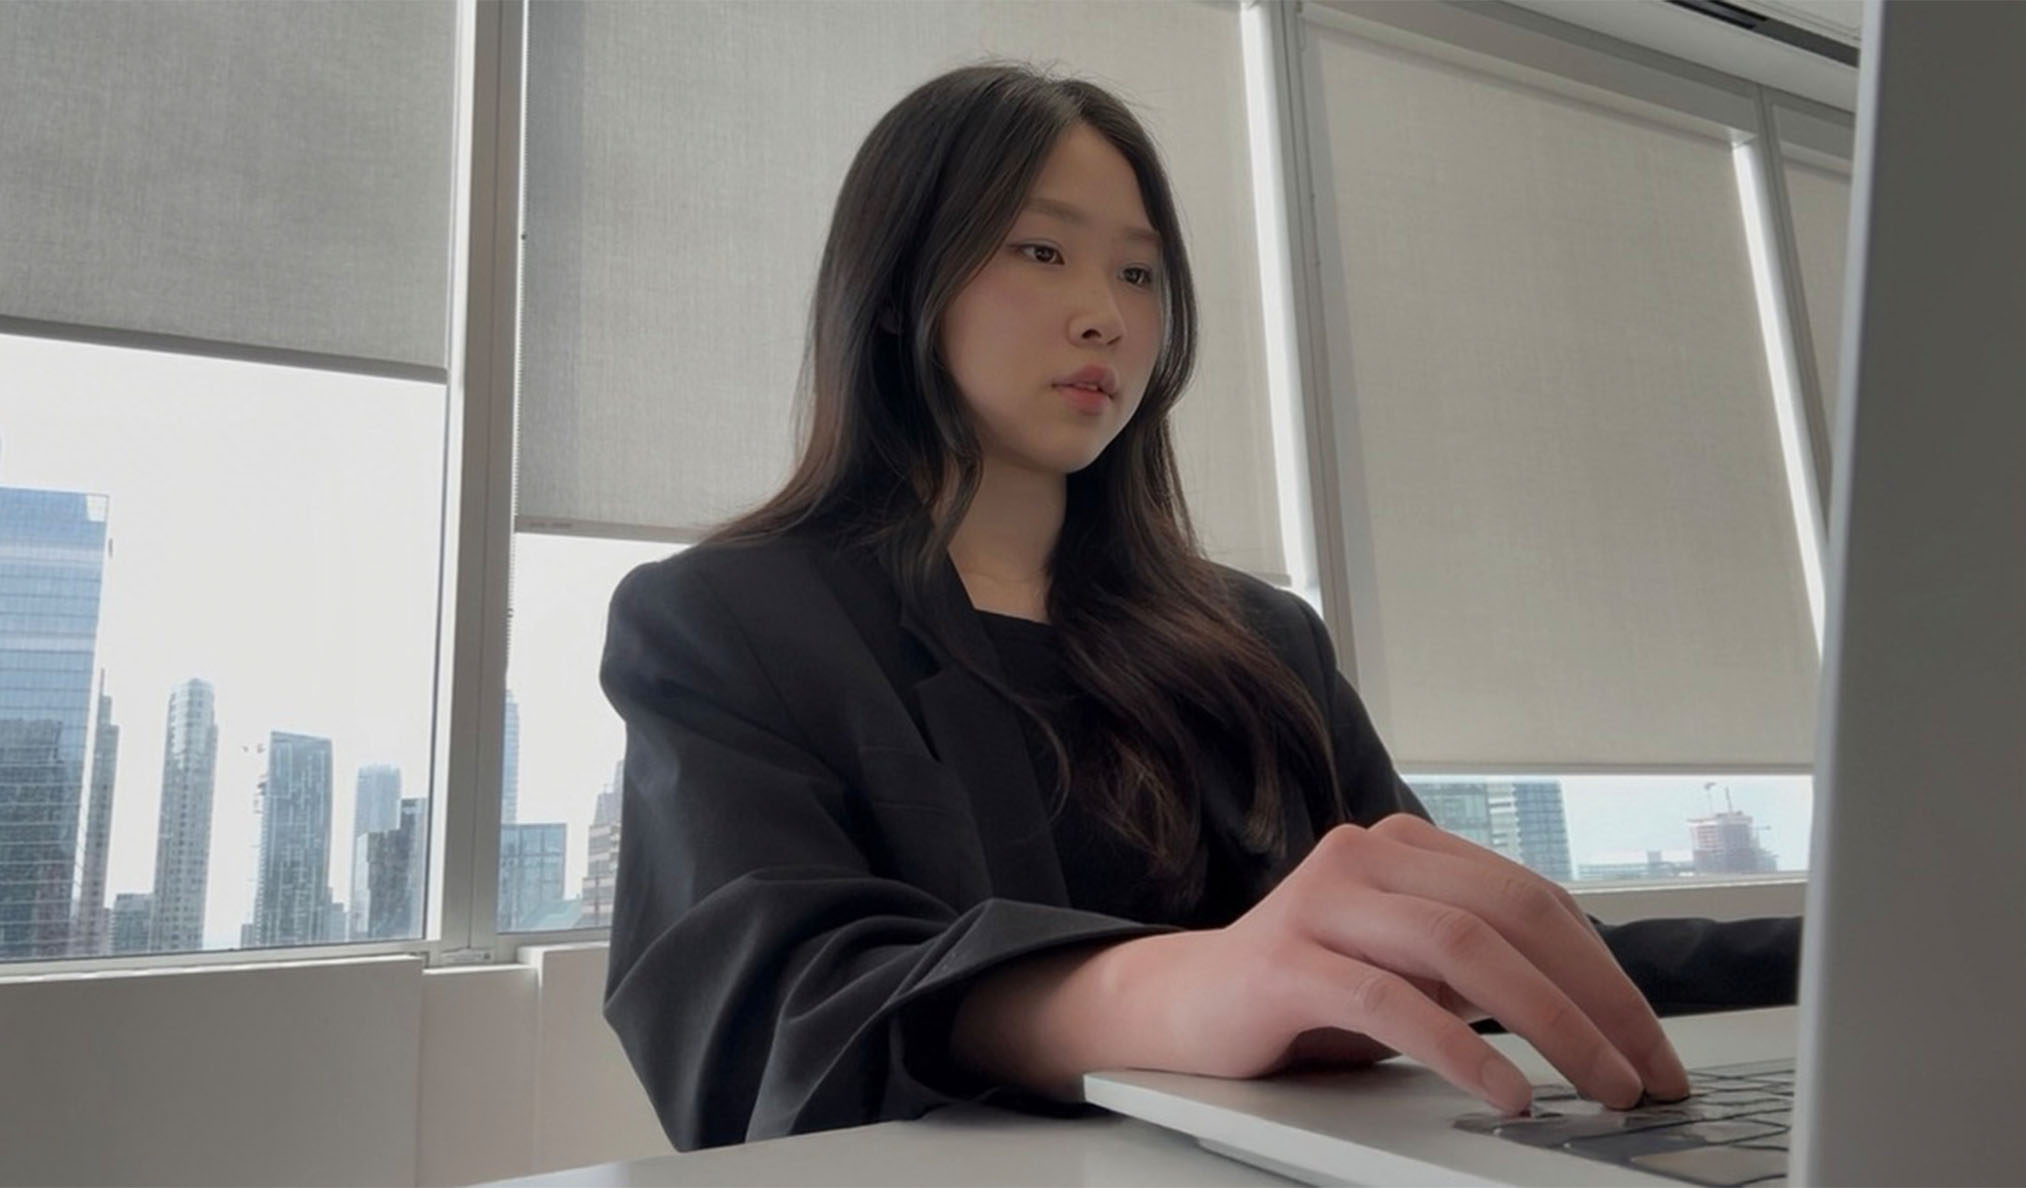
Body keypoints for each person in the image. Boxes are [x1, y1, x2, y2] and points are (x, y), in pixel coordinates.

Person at [598, 61, 1800, 1153]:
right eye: (1040, 251)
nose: (1105, 316)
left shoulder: (1262, 640)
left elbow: (1460, 949)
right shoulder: (723, 619)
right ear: (899, 287)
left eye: (1139, 272)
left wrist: (1849, 945)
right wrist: (1185, 989)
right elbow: (753, 1020)